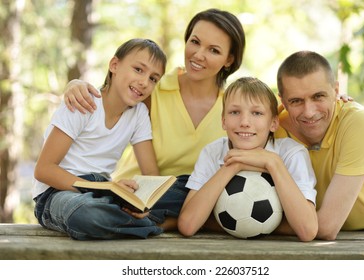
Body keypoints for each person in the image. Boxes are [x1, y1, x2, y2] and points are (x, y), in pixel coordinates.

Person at [62, 9, 246, 230]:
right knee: (186, 187)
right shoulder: (152, 88)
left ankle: (158, 222)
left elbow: (280, 116)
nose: (198, 54)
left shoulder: (235, 108)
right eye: (194, 42)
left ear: (229, 60)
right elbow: (111, 95)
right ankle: (152, 221)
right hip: (133, 193)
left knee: (198, 187)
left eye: (214, 50)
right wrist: (76, 84)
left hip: (188, 200)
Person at [33, 38, 167, 240]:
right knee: (86, 213)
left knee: (178, 191)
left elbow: (151, 175)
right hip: (58, 193)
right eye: (139, 70)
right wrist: (107, 189)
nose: (144, 82)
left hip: (104, 192)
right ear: (114, 65)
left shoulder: (139, 113)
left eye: (153, 79)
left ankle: (135, 219)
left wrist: (143, 201)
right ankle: (149, 225)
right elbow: (43, 170)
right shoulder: (83, 102)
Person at [177, 77, 318, 242]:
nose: (244, 122)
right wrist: (233, 166)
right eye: (235, 112)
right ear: (223, 121)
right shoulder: (212, 152)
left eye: (257, 113)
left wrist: (273, 163)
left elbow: (307, 230)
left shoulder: (291, 154)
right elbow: (187, 225)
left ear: (273, 123)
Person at [275, 50, 364, 240]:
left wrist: (261, 224)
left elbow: (326, 228)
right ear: (283, 102)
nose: (309, 112)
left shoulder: (359, 122)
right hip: (305, 236)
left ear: (336, 91)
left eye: (318, 96)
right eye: (296, 101)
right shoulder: (273, 127)